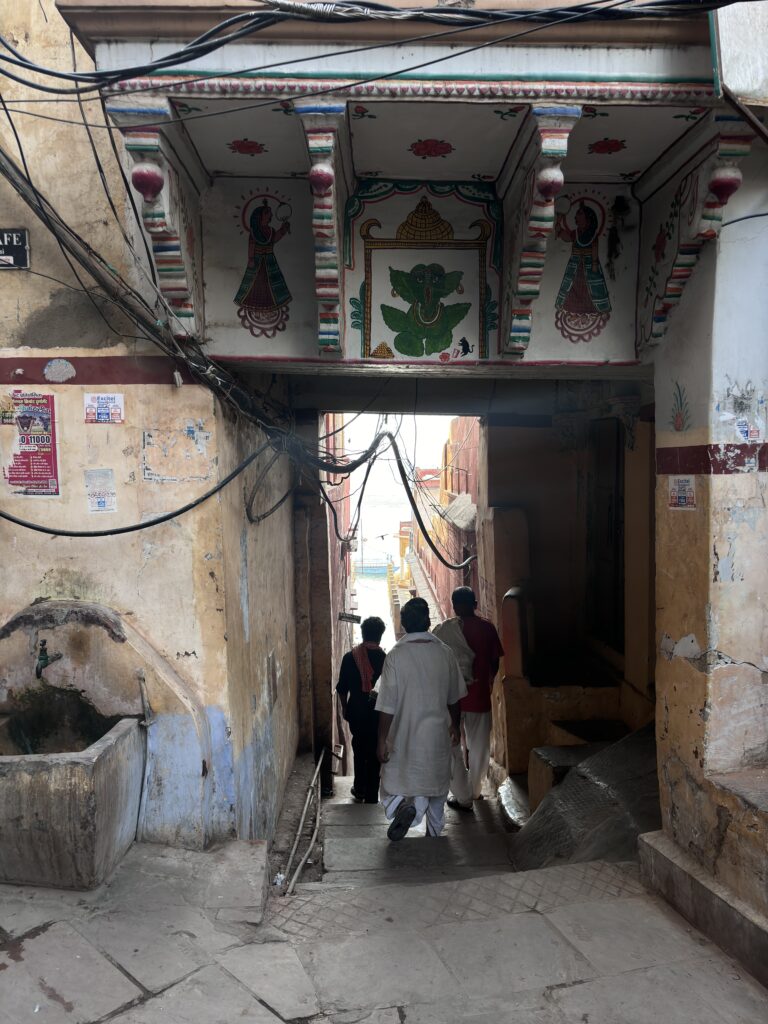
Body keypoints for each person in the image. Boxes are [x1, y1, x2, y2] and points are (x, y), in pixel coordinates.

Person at [376, 597, 466, 841]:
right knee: (437, 790)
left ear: (403, 625)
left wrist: (382, 738)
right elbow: (454, 697)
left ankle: (403, 808)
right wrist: (455, 726)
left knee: (393, 783)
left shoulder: (395, 656)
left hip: (404, 736)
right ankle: (434, 836)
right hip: (437, 735)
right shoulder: (445, 653)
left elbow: (387, 704)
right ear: (428, 622)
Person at [438, 587, 504, 812]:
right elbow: (495, 662)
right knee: (479, 748)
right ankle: (475, 792)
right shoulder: (487, 628)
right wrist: (487, 681)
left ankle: (459, 793)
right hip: (478, 697)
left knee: (453, 745)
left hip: (452, 700)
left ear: (455, 606)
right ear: (475, 603)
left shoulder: (446, 630)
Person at [336, 616, 386, 804]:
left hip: (356, 713)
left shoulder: (350, 657)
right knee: (375, 751)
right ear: (380, 636)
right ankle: (373, 792)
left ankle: (360, 788)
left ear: (363, 634)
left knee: (359, 749)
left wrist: (345, 708)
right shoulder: (386, 659)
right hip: (378, 714)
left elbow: (342, 689)